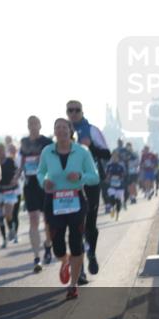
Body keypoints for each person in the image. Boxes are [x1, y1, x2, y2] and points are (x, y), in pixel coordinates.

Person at [36, 118, 100, 300]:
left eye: (65, 127)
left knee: (76, 242)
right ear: (54, 132)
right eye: (58, 128)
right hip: (54, 200)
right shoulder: (47, 151)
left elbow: (94, 177)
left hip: (76, 200)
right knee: (57, 246)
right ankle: (65, 261)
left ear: (70, 131)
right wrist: (44, 182)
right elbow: (40, 172)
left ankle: (73, 285)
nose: (61, 130)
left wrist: (80, 176)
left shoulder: (82, 151)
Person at [67, 101, 110, 282]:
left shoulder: (92, 130)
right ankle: (80, 270)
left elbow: (107, 154)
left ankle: (91, 252)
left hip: (91, 183)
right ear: (67, 112)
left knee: (90, 225)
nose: (74, 113)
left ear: (82, 111)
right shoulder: (62, 131)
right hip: (70, 185)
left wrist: (90, 146)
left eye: (77, 110)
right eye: (70, 110)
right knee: (76, 225)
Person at [20, 116, 53, 271]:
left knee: (48, 221)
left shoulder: (47, 142)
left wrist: (43, 160)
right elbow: (23, 161)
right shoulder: (24, 142)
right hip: (30, 185)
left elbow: (54, 160)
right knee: (33, 219)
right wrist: (16, 174)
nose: (32, 126)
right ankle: (36, 257)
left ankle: (48, 244)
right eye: (30, 124)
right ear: (27, 126)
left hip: (44, 184)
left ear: (40, 125)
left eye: (35, 123)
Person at [0, 143, 20, 248]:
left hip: (9, 190)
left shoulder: (10, 161)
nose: (0, 152)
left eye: (2, 150)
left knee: (8, 213)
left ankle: (11, 229)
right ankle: (4, 240)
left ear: (4, 151)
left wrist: (15, 178)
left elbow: (17, 171)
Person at [104, 156, 127, 221]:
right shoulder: (109, 166)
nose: (114, 159)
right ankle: (112, 208)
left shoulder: (121, 166)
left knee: (118, 201)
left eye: (116, 158)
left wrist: (119, 178)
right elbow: (107, 175)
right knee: (112, 198)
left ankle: (117, 215)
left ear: (118, 159)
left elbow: (123, 175)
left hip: (120, 187)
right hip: (112, 186)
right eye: (113, 158)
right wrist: (108, 178)